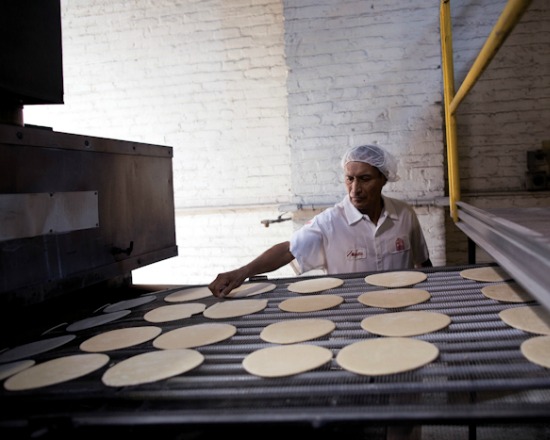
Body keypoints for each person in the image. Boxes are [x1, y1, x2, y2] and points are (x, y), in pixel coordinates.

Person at [209, 143, 432, 298]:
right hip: (352, 314)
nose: (355, 189)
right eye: (349, 179)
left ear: (384, 178)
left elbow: (424, 264)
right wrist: (243, 272)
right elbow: (288, 250)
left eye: (365, 179)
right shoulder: (330, 222)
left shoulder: (404, 214)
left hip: (403, 308)